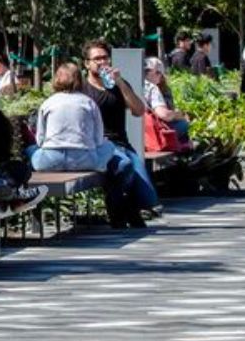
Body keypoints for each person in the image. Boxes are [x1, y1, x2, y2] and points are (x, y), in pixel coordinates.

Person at [30, 62, 157, 228]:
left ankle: (33, 214)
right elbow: (98, 139)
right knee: (108, 147)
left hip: (51, 160)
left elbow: (40, 138)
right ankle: (124, 209)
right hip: (84, 159)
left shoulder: (47, 103)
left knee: (30, 150)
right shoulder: (88, 102)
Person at [141, 58, 193, 145]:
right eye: (159, 73)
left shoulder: (133, 83)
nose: (161, 77)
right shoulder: (151, 87)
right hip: (151, 133)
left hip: (138, 130)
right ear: (155, 73)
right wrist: (179, 115)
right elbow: (164, 115)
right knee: (184, 124)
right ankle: (184, 149)